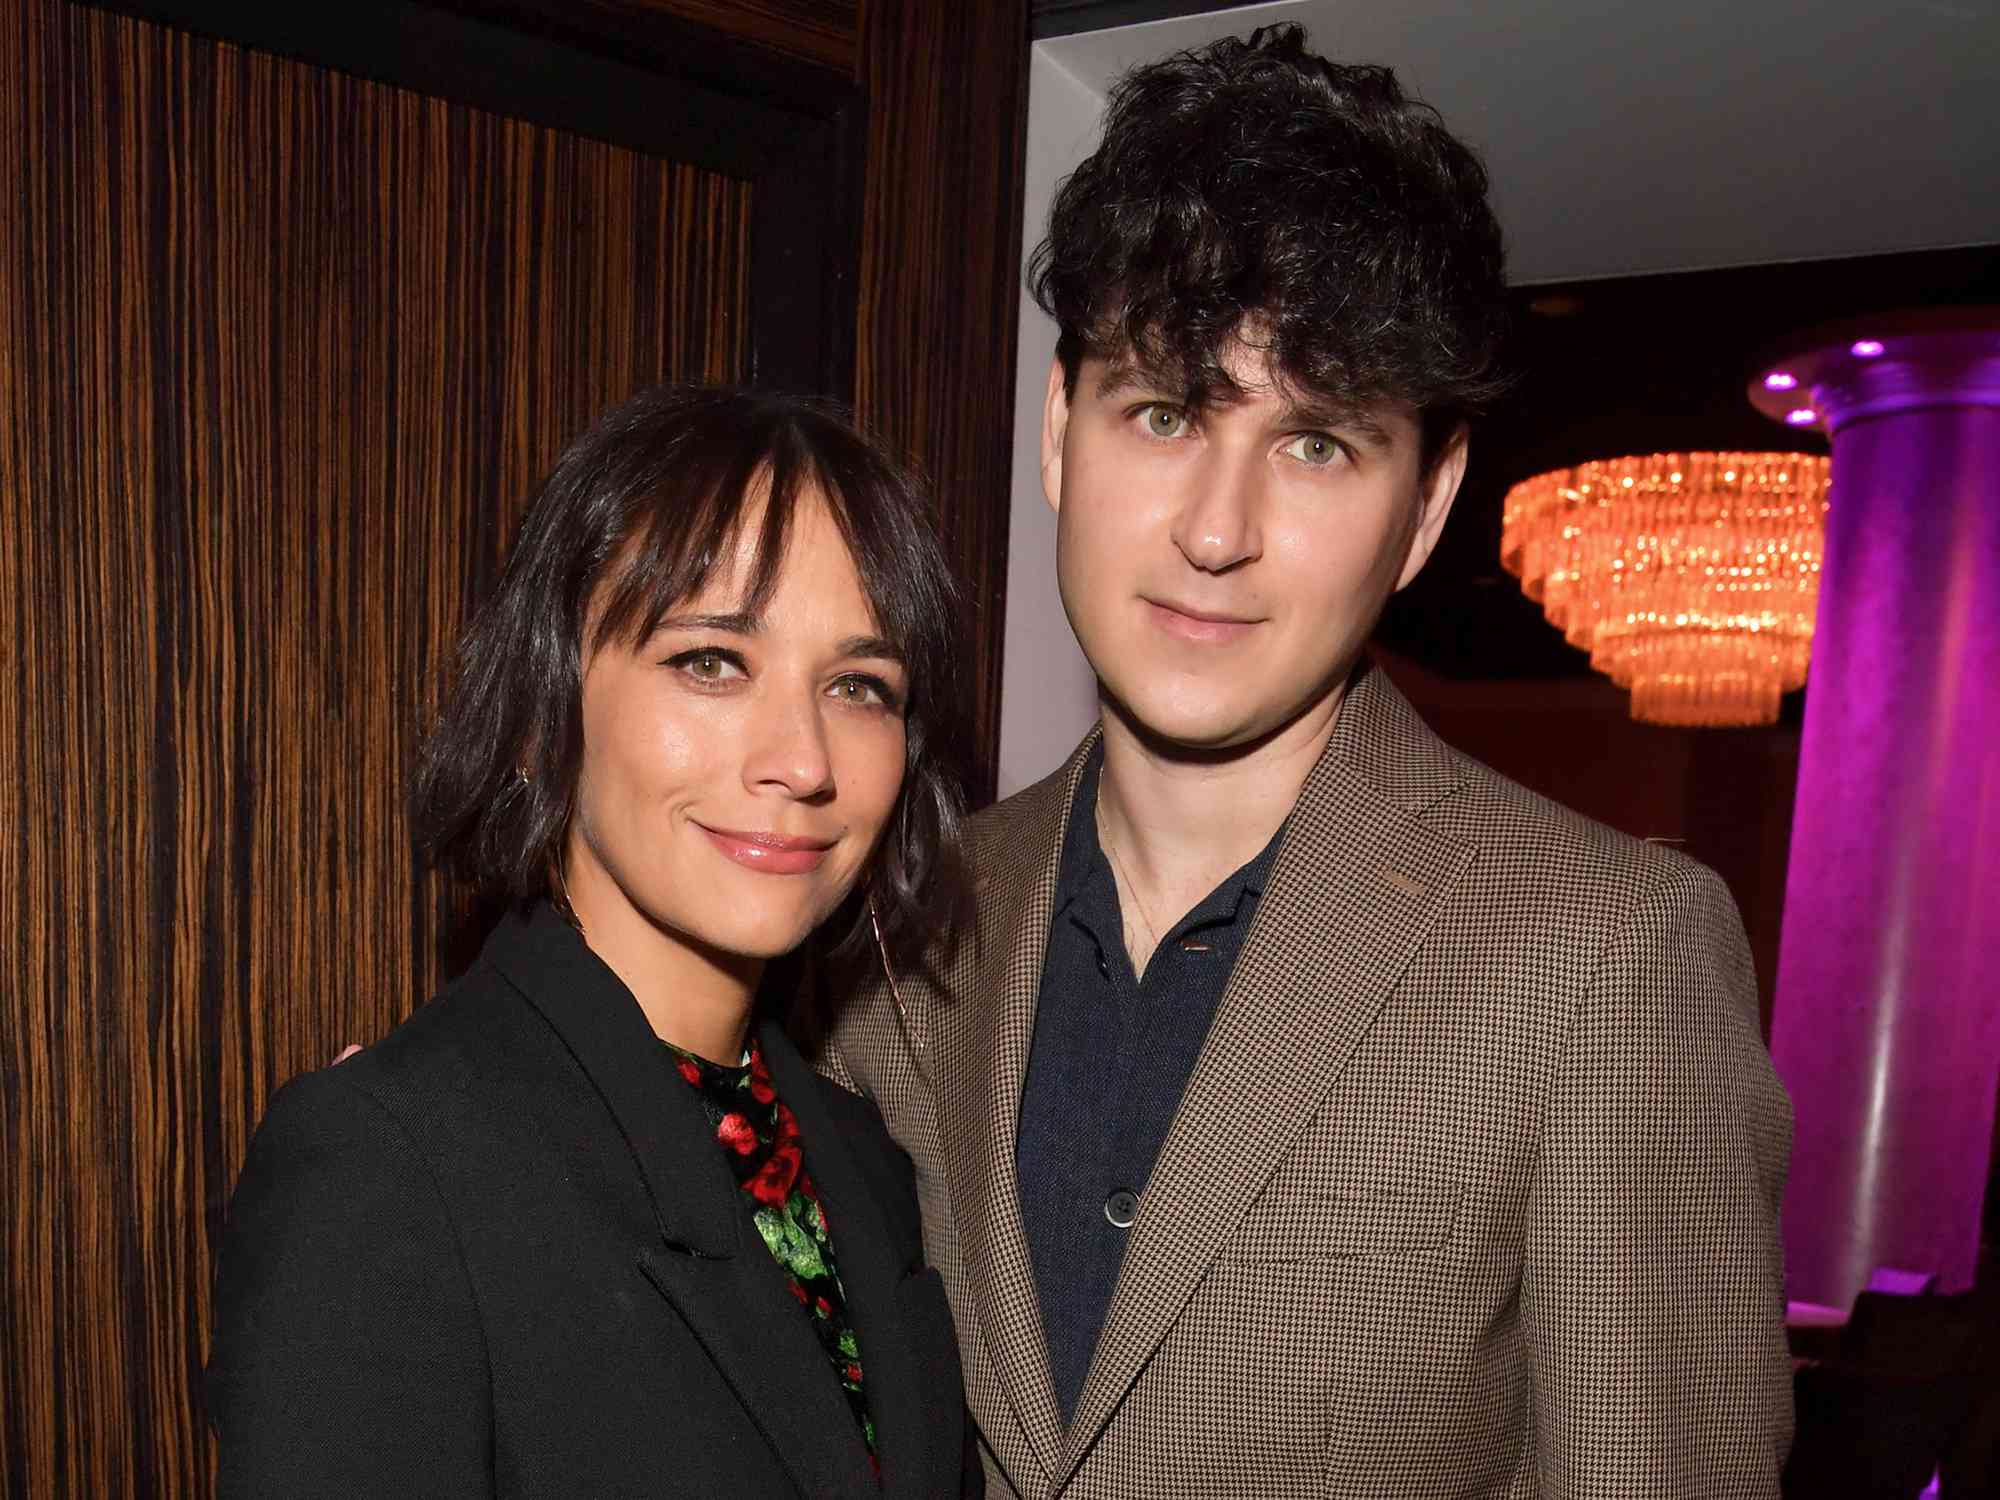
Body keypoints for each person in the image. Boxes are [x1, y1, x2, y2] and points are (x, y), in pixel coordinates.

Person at [820, 25, 1793, 1499]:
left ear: (1426, 506)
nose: (1217, 529)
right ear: (1062, 434)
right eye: (1164, 411)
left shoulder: (1610, 959)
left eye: (1319, 444)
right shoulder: (894, 926)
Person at [206, 386, 983, 1498]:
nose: (803, 760)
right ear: (547, 705)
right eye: (710, 662)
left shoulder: (857, 1157)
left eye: (857, 686)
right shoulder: (388, 1163)